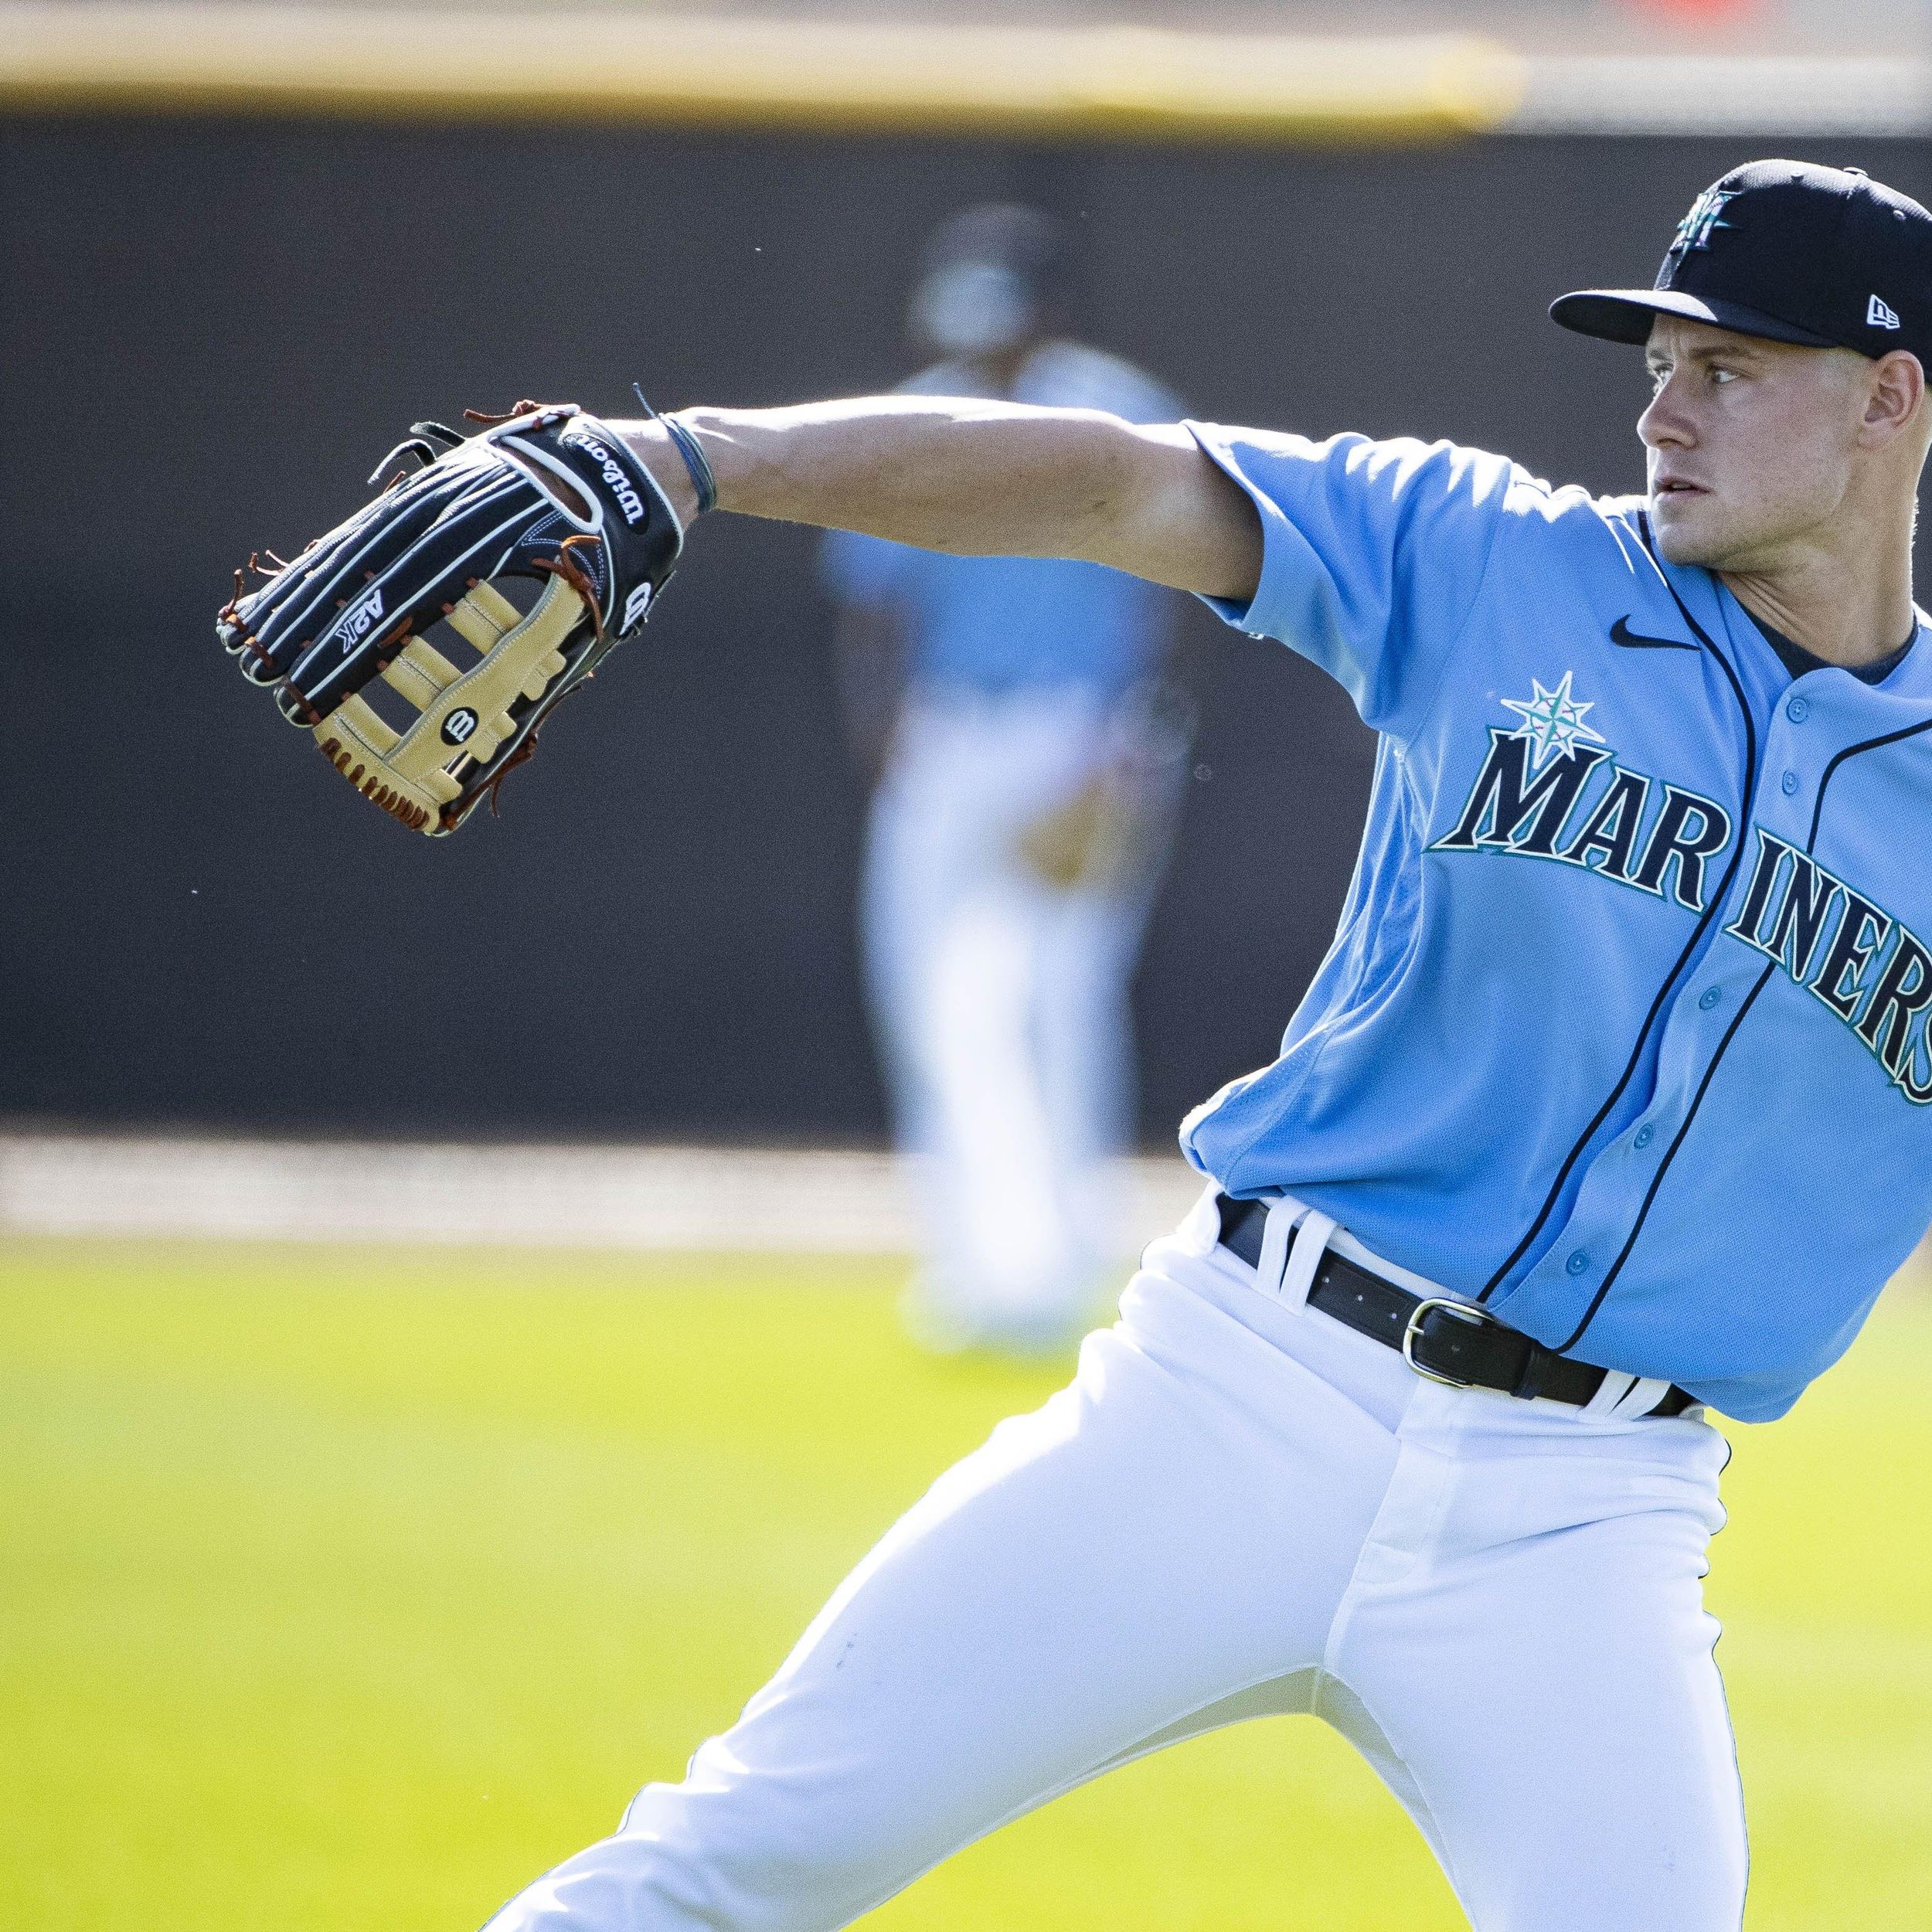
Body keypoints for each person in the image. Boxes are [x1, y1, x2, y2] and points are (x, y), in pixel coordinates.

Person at [485, 159, 1932, 1931]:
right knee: (740, 1862)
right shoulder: (1489, 558)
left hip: (1592, 1517)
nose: (1659, 405)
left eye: (1728, 367)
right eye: (1656, 358)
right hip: (1241, 1392)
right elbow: (1111, 483)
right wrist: (690, 456)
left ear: (1887, 396)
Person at [820, 205, 1189, 1354]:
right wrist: (884, 736)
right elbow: (873, 605)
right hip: (948, 730)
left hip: (1079, 730)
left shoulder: (1119, 412)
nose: (994, 345)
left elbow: (1178, 590)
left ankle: (1062, 1267)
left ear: (1055, 311)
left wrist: (1133, 742)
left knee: (1056, 997)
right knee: (932, 1000)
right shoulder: (913, 416)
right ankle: (975, 1265)